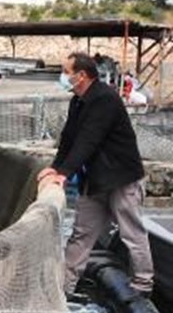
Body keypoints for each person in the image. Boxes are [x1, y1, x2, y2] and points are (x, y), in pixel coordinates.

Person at [37, 52, 152, 299]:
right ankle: (63, 288)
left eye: (67, 72)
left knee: (131, 233)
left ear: (81, 75)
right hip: (95, 180)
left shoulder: (105, 98)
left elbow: (89, 138)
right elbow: (69, 138)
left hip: (121, 178)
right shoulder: (77, 100)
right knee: (81, 233)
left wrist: (65, 173)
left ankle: (143, 286)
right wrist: (56, 167)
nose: (63, 77)